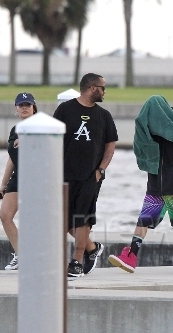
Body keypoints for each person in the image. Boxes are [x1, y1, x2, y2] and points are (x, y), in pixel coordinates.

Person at [108, 95, 173, 273]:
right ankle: (133, 255)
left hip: (164, 186)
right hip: (166, 187)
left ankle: (133, 255)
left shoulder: (157, 132)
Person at [53, 73, 118, 277]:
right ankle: (92, 248)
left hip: (91, 176)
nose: (104, 91)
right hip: (64, 175)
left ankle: (76, 261)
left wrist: (101, 170)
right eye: (102, 87)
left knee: (82, 218)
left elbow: (111, 145)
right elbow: (52, 137)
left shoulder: (104, 116)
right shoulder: (65, 110)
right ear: (92, 88)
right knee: (62, 218)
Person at [0, 92, 37, 270]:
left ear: (33, 107)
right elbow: (11, 159)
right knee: (5, 216)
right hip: (17, 178)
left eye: (27, 105)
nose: (24, 108)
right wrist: (3, 184)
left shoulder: (41, 126)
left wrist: (27, 138)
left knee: (31, 220)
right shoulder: (15, 130)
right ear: (16, 108)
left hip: (35, 178)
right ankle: (22, 254)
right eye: (21, 105)